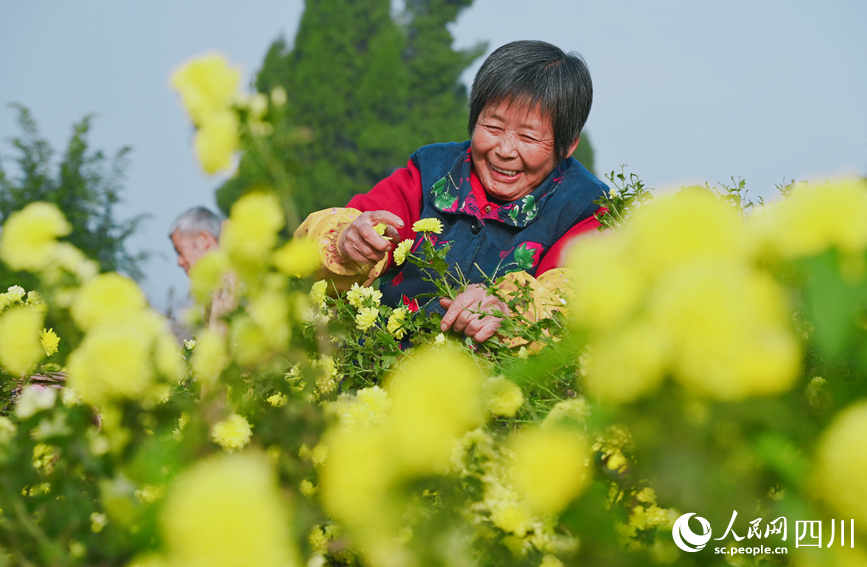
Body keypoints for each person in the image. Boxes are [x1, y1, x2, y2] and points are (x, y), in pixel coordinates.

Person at [295, 40, 608, 343]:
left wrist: (507, 304)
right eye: (493, 128)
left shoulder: (584, 208)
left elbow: (573, 293)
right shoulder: (432, 170)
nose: (505, 150)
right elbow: (359, 222)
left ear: (568, 145)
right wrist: (349, 241)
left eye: (528, 137)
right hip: (382, 367)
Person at [169, 206, 235, 330]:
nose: (179, 262)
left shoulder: (238, 275)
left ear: (204, 240)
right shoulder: (214, 285)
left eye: (180, 251)